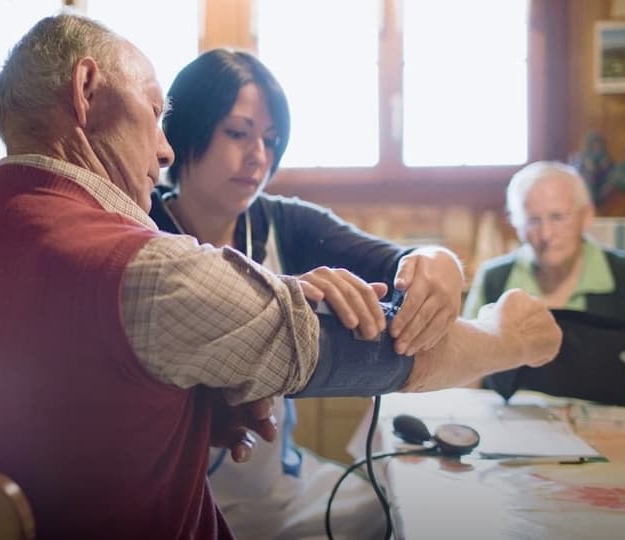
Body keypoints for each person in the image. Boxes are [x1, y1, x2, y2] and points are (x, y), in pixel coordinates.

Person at [0, 14, 562, 539]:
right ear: (87, 89)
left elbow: (9, 417)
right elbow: (379, 354)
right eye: (156, 114)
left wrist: (188, 409)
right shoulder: (151, 271)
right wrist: (509, 335)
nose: (162, 149)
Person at [149, 49, 463, 539]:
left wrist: (440, 264)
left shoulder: (281, 221)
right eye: (237, 132)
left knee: (405, 509)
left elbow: (400, 260)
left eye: (271, 140)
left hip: (279, 492)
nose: (259, 155)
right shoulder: (139, 227)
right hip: (169, 507)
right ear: (185, 125)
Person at [464, 161, 625, 321]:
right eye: (533, 220)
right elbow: (469, 351)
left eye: (557, 217)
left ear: (586, 216)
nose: (546, 234)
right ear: (516, 224)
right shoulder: (493, 279)